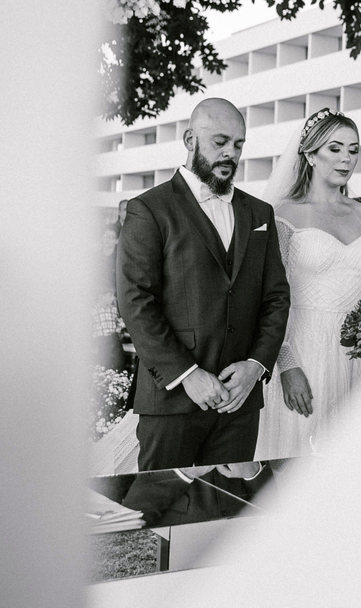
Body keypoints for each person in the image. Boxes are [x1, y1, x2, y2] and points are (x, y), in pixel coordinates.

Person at [117, 98, 291, 470]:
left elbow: (276, 297)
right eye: (220, 142)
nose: (231, 153)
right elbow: (135, 300)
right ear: (189, 139)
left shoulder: (260, 214)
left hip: (240, 404)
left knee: (228, 518)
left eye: (239, 145)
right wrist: (187, 375)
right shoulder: (149, 209)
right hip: (173, 402)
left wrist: (256, 366)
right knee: (162, 517)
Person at [255, 108, 361, 460]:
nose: (346, 158)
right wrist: (286, 364)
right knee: (295, 461)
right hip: (300, 353)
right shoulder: (285, 214)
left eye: (353, 149)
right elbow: (267, 297)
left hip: (355, 361)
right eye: (335, 148)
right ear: (310, 154)